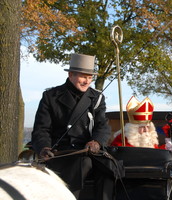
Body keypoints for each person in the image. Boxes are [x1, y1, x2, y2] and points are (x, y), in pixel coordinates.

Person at [31, 53, 113, 199]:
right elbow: (41, 129)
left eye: (89, 77)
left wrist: (96, 142)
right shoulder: (51, 96)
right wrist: (44, 148)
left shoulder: (97, 98)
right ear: (70, 74)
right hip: (60, 152)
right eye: (83, 76)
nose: (86, 81)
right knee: (82, 164)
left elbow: (102, 126)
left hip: (88, 150)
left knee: (110, 167)